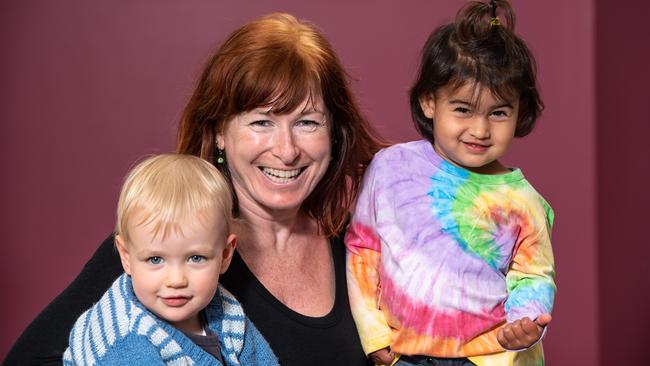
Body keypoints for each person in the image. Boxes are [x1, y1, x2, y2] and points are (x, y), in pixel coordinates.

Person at [4, 13, 384, 366]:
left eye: (307, 122)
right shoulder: (163, 243)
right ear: (219, 131)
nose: (286, 151)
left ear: (334, 133)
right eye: (261, 122)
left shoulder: (361, 248)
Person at [345, 1, 555, 365]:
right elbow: (364, 249)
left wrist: (525, 324)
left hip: (488, 357)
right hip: (404, 355)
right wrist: (373, 333)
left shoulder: (523, 200)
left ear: (520, 111)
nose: (480, 129)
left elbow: (534, 276)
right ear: (429, 102)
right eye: (462, 109)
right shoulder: (390, 168)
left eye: (499, 113)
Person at [62, 154, 278, 365]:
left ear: (225, 255)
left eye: (196, 258)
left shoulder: (225, 311)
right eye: (155, 259)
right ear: (126, 257)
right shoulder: (124, 340)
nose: (176, 280)